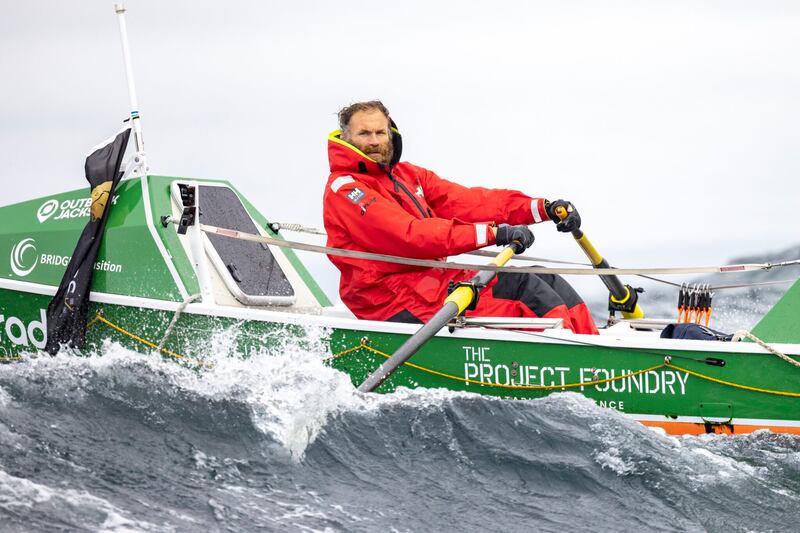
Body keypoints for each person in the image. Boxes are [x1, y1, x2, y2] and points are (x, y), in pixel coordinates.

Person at [323, 101, 598, 335]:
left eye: (380, 132)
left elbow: (469, 203)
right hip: (390, 298)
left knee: (544, 278)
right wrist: (495, 233)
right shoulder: (346, 189)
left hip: (429, 284)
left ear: (391, 135)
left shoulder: (409, 175)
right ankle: (575, 360)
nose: (374, 141)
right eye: (364, 133)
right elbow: (410, 235)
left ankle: (594, 345)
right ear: (346, 138)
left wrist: (541, 208)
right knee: (523, 289)